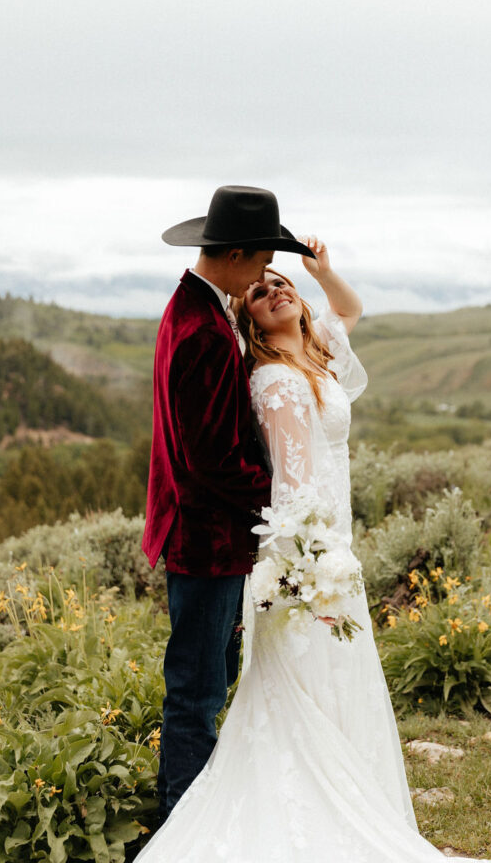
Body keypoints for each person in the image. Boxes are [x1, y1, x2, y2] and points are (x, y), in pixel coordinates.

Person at [138, 232, 491, 862]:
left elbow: (349, 313)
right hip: (309, 554)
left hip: (330, 544)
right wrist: (310, 567)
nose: (272, 285)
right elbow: (291, 491)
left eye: (279, 281)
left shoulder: (317, 356)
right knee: (293, 672)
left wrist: (320, 271)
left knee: (327, 673)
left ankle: (347, 783)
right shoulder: (277, 382)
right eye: (261, 287)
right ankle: (276, 802)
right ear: (253, 324)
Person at [142, 185, 315, 825]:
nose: (269, 271)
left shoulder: (194, 307)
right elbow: (211, 459)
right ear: (235, 252)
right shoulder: (203, 330)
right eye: (264, 256)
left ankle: (195, 817)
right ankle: (182, 827)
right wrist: (286, 505)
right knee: (197, 692)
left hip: (202, 534)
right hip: (206, 539)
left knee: (204, 679)